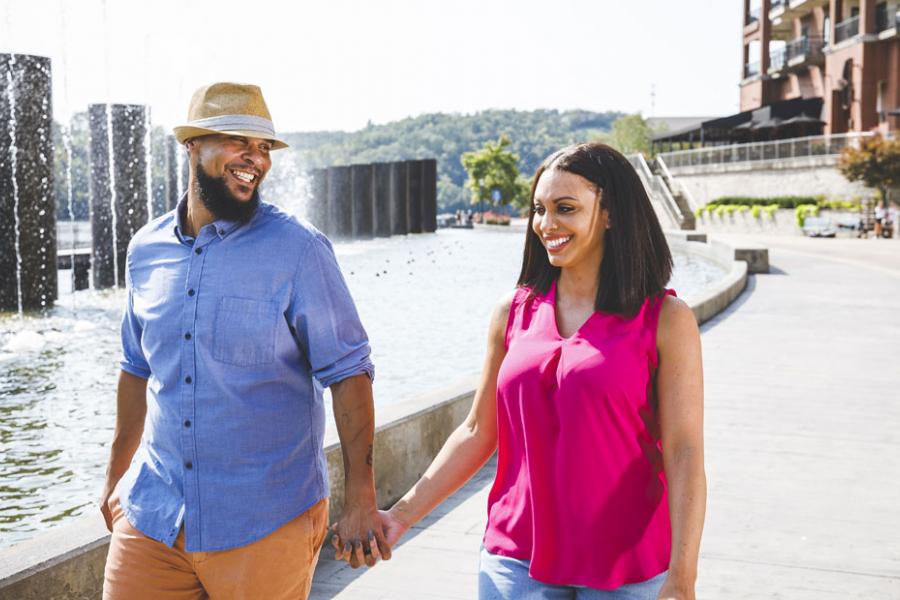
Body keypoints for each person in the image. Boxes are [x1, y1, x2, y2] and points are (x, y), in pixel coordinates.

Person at [335, 142, 706, 599]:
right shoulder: (512, 312)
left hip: (629, 569)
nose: (546, 225)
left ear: (610, 214)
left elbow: (685, 452)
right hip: (515, 561)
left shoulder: (666, 320)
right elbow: (476, 431)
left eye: (565, 209)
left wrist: (683, 575)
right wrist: (401, 516)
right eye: (539, 209)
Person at [99, 82, 389, 600]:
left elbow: (348, 373)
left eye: (263, 148)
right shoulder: (144, 249)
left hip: (266, 521)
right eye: (240, 141)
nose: (254, 159)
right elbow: (134, 366)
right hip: (154, 518)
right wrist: (116, 476)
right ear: (193, 146)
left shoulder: (299, 250)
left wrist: (360, 498)